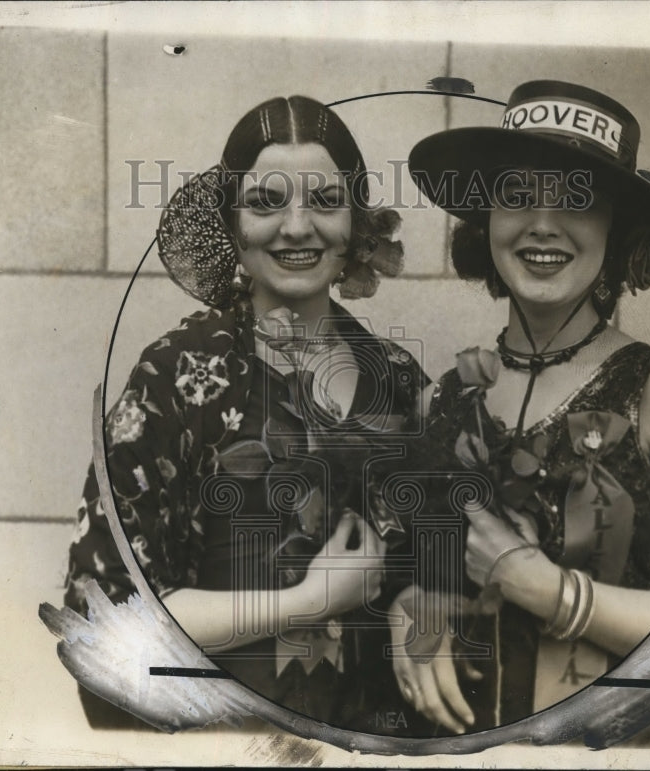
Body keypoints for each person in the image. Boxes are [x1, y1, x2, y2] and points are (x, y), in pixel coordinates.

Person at [388, 80, 650, 737]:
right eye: (518, 196)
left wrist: (549, 591)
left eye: (576, 199)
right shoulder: (443, 398)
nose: (543, 223)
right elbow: (431, 578)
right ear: (487, 220)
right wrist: (412, 606)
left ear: (616, 228)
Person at [64, 95, 428, 730]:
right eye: (266, 202)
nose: (296, 227)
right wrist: (308, 601)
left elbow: (443, 565)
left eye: (323, 200)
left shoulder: (397, 380)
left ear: (357, 227)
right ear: (233, 225)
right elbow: (107, 613)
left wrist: (417, 602)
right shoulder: (175, 375)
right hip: (226, 739)